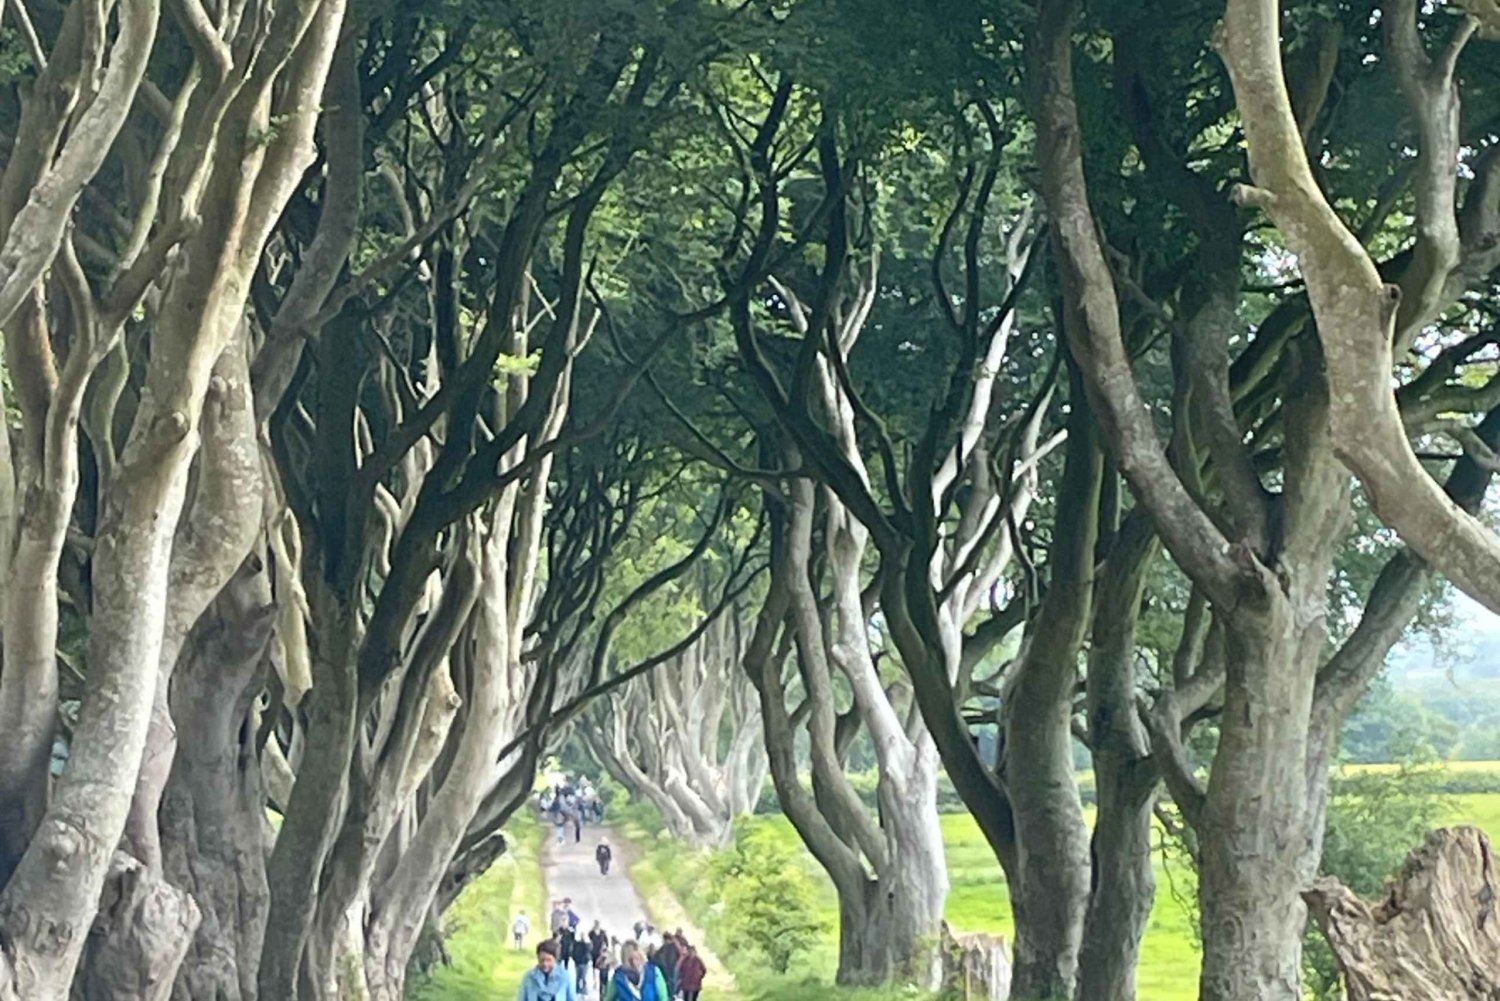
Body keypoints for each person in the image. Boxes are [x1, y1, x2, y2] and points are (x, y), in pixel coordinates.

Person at [604, 941, 668, 1001]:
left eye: (637, 958)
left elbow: (663, 998)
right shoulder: (618, 977)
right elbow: (608, 999)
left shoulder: (654, 972)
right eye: (630, 960)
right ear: (625, 960)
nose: (635, 963)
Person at [653, 933, 680, 997]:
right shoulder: (674, 947)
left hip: (666, 970)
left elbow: (656, 958)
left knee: (667, 986)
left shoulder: (668, 947)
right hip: (669, 970)